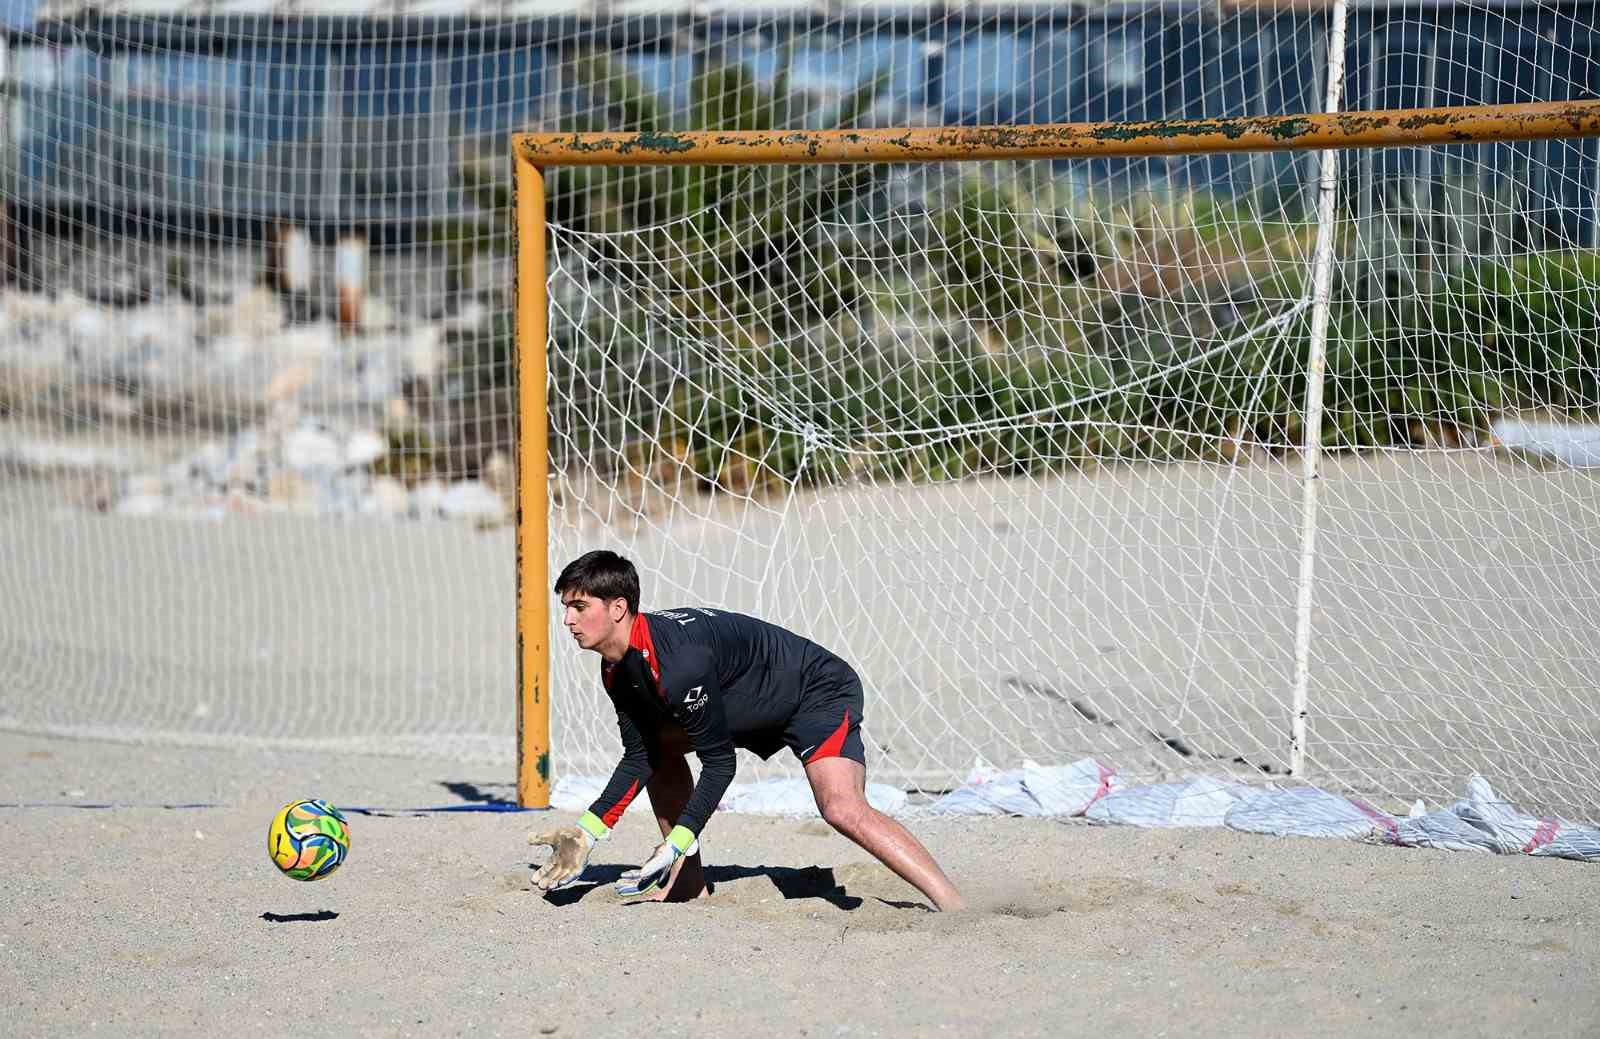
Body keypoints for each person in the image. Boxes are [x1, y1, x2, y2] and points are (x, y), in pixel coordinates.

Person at [527, 549, 965, 912]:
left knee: (841, 808)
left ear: (617, 608)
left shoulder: (679, 664)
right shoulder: (616, 667)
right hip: (742, 701)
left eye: (579, 606)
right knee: (658, 751)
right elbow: (640, 755)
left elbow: (720, 764)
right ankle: (689, 886)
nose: (568, 619)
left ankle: (955, 907)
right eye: (566, 606)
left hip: (814, 691)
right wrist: (587, 833)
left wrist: (678, 840)